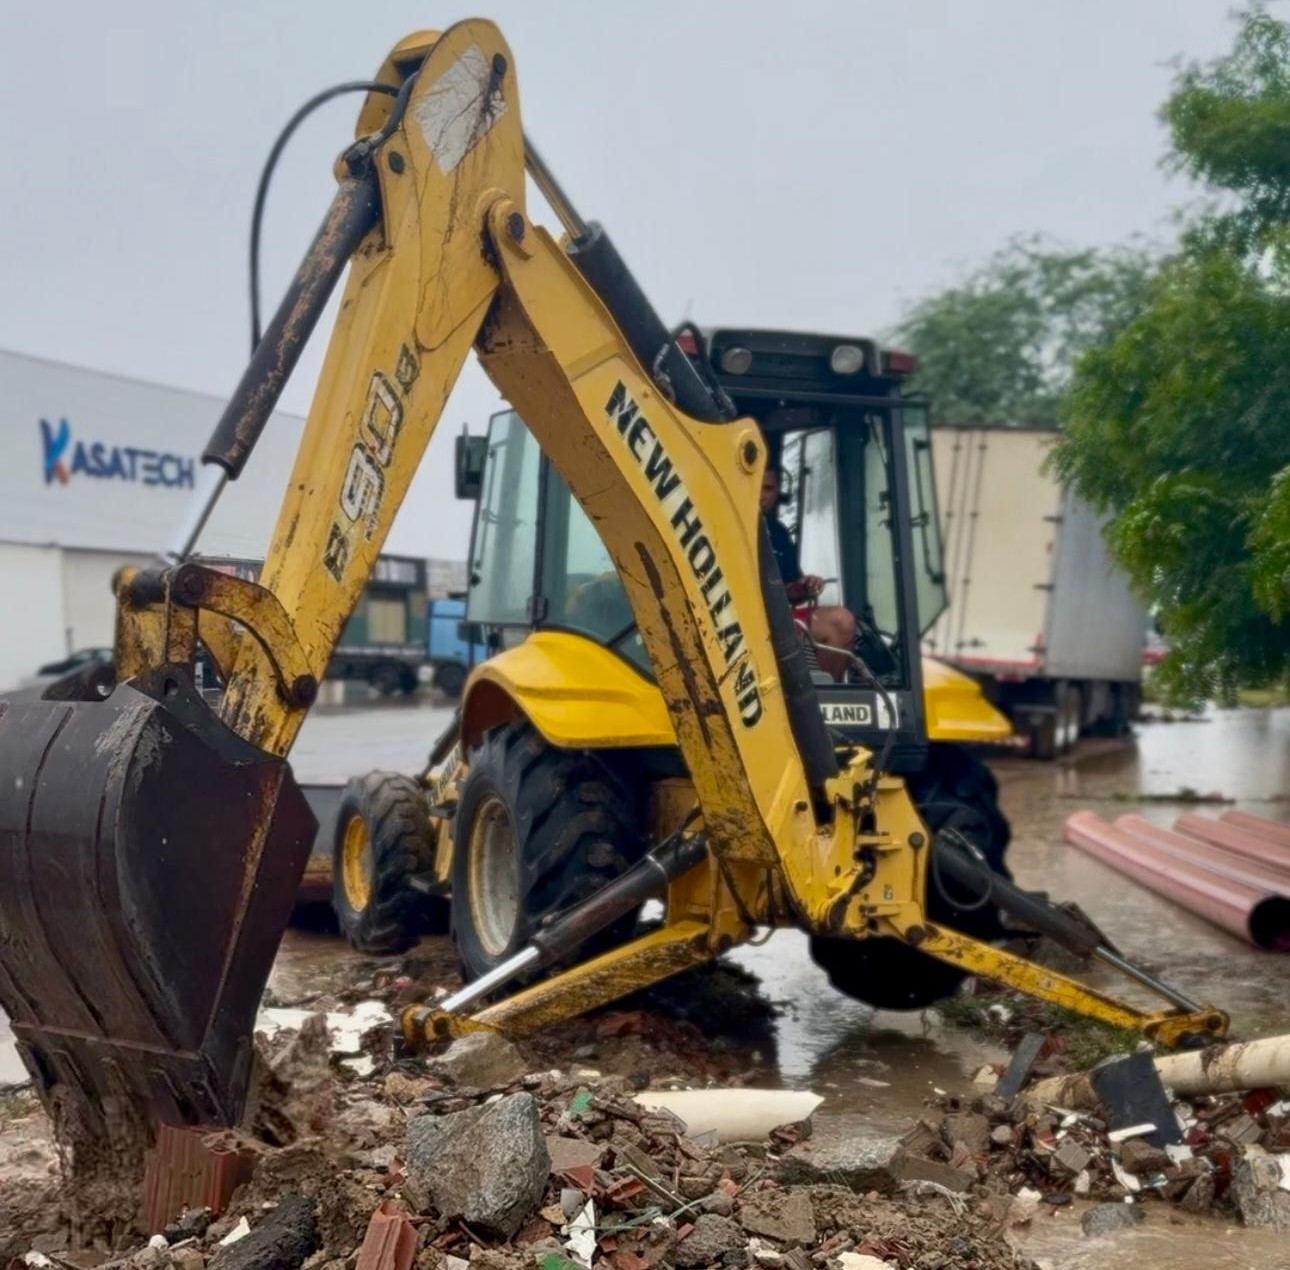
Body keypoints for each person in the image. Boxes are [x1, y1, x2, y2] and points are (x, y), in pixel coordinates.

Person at [760, 464, 857, 680]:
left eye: (768, 489)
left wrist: (804, 586)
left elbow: (790, 589)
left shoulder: (778, 533)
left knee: (841, 622)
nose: (760, 495)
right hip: (741, 619)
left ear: (779, 493)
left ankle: (821, 700)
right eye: (756, 486)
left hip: (778, 618)